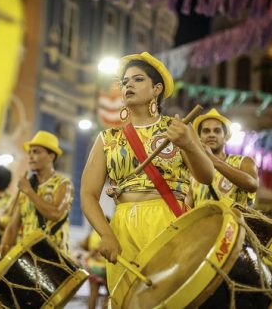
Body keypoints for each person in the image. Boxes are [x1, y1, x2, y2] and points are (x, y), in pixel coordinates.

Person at [78, 52, 214, 300]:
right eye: (124, 82)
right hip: (123, 229)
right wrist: (106, 234)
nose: (127, 85)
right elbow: (87, 193)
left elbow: (206, 177)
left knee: (173, 300)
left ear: (156, 89)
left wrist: (190, 144)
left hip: (171, 223)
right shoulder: (107, 139)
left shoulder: (177, 129)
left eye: (137, 79)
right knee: (130, 301)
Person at [1, 130, 74, 253]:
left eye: (36, 152)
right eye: (29, 152)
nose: (30, 156)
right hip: (27, 255)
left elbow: (55, 214)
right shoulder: (27, 186)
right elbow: (13, 227)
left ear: (51, 156)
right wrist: (2, 254)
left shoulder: (63, 184)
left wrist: (29, 191)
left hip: (54, 255)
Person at [189, 108, 258, 207]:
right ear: (200, 137)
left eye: (217, 131)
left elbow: (252, 185)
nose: (211, 134)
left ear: (226, 137)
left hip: (234, 222)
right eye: (206, 131)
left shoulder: (244, 161)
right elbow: (187, 209)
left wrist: (214, 160)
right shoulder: (194, 172)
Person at [80, 224, 109, 309]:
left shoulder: (92, 234)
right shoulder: (109, 237)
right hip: (105, 269)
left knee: (93, 294)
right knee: (109, 294)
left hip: (93, 268)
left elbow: (83, 245)